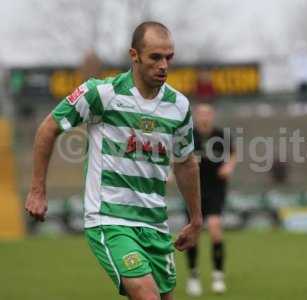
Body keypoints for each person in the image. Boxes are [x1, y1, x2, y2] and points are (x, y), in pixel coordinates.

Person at [25, 21, 203, 300]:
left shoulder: (178, 106)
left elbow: (185, 162)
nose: (164, 65)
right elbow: (49, 127)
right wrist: (38, 189)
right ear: (134, 56)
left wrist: (196, 219)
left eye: (169, 57)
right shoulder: (102, 94)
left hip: (155, 224)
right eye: (155, 57)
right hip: (110, 219)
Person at [185, 103, 236, 296]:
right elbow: (177, 157)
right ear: (196, 116)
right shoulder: (188, 136)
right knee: (193, 234)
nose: (204, 116)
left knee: (215, 228)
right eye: (201, 113)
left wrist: (229, 166)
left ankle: (217, 276)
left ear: (212, 115)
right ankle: (193, 275)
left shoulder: (220, 135)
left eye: (208, 113)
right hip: (193, 190)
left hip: (215, 188)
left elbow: (233, 153)